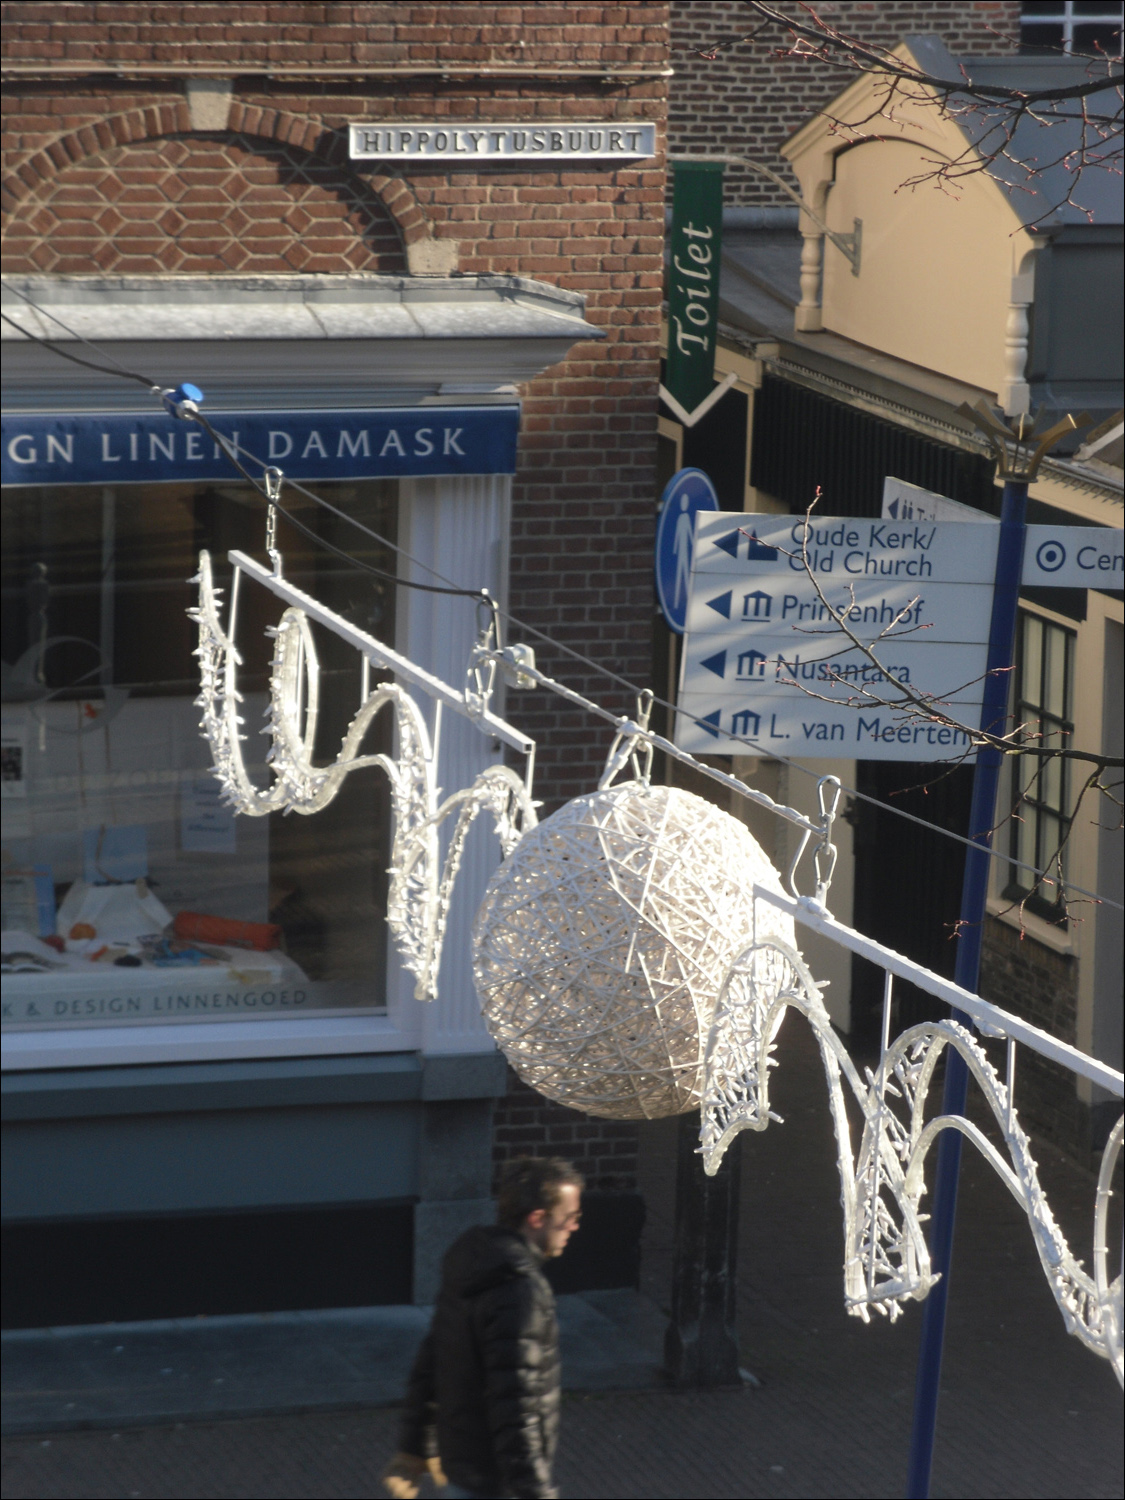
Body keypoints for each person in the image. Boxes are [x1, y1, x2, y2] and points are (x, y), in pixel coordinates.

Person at [382, 1156, 584, 1500]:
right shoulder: (520, 1292)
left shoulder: (471, 1263)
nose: (574, 1227)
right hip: (495, 1484)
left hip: (462, 1471)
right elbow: (516, 1405)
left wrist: (414, 1447)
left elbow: (432, 1359)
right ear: (537, 1218)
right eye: (570, 1218)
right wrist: (534, 1491)